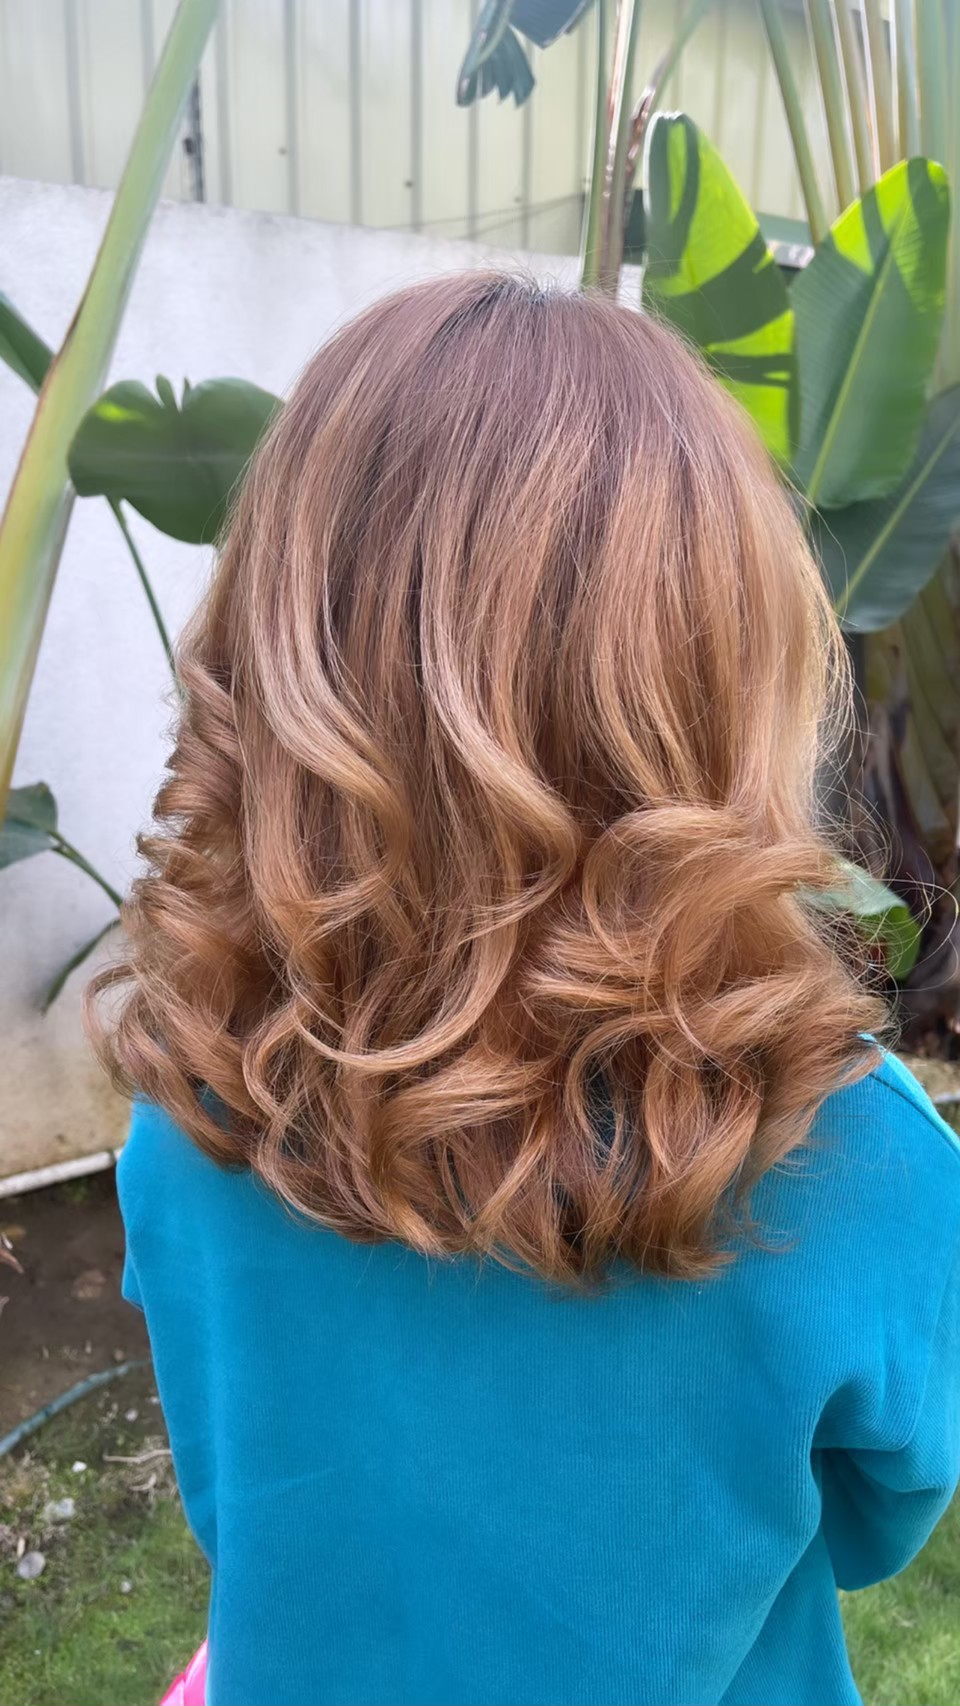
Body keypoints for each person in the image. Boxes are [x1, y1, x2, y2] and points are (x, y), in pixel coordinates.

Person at [91, 274, 960, 1706]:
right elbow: (876, 1518)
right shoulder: (862, 1161)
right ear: (732, 684)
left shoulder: (194, 1112)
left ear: (282, 662)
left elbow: (237, 1490)